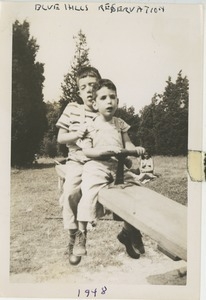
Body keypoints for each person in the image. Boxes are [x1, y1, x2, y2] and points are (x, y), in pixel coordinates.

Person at [73, 79, 145, 258]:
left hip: (118, 166)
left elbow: (127, 143)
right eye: (103, 97)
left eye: (112, 97)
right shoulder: (90, 125)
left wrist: (135, 149)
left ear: (118, 102)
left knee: (135, 193)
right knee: (89, 193)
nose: (109, 101)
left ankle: (130, 232)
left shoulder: (120, 123)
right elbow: (87, 150)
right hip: (96, 165)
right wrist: (102, 151)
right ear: (95, 103)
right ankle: (81, 234)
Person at [56, 66, 101, 265]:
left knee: (113, 193)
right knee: (70, 192)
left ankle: (130, 232)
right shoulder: (72, 108)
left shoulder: (104, 111)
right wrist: (77, 134)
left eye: (93, 85)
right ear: (79, 91)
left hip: (98, 161)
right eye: (84, 87)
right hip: (76, 158)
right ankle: (73, 236)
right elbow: (61, 138)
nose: (89, 90)